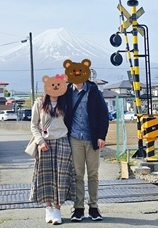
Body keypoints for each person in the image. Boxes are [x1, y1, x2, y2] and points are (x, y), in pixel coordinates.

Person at [63, 59, 110, 222]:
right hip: (74, 138)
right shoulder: (66, 92)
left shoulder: (94, 91)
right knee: (77, 174)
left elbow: (104, 115)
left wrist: (101, 136)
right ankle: (78, 208)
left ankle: (94, 207)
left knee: (93, 174)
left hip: (92, 138)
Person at [30, 75, 75, 225]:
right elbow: (33, 125)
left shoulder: (66, 103)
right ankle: (48, 208)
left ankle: (57, 209)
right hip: (45, 143)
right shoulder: (39, 103)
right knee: (46, 177)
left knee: (61, 177)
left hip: (62, 142)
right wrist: (40, 141)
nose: (55, 88)